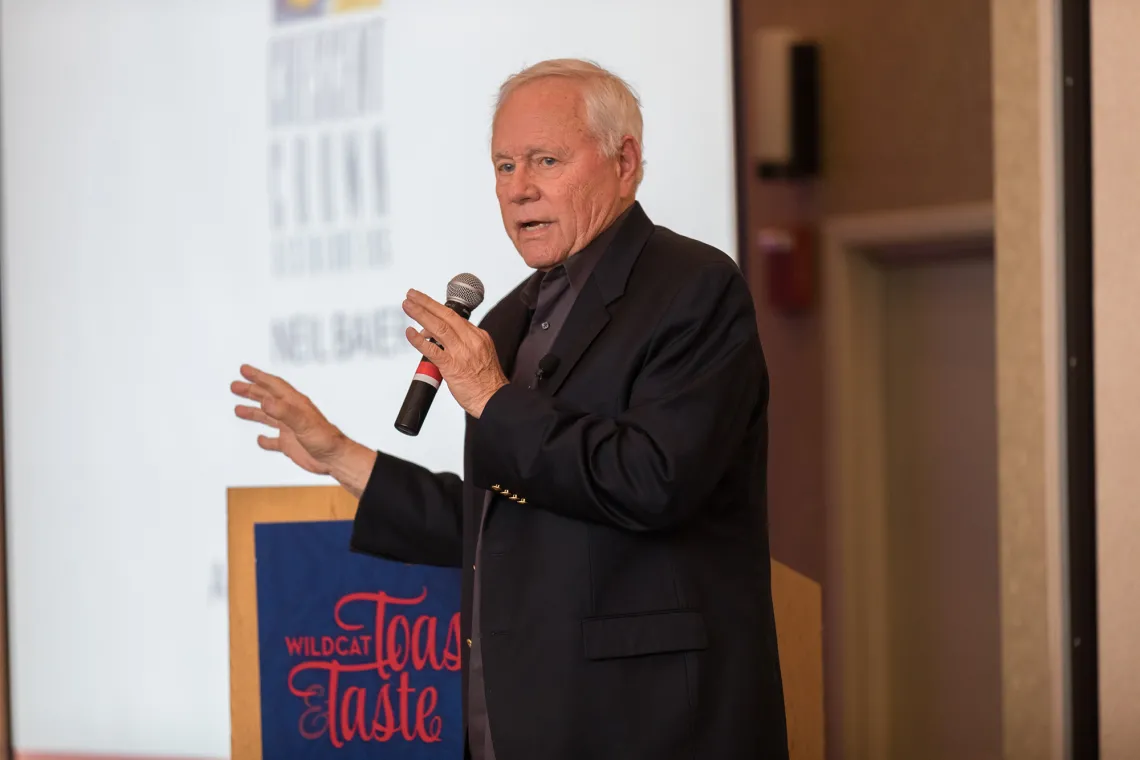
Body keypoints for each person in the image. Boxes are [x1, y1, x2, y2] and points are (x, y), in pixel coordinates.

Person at [232, 58, 788, 760]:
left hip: (643, 724)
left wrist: (493, 398)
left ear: (626, 162)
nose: (519, 189)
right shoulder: (509, 318)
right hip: (515, 717)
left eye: (545, 161)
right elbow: (496, 525)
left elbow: (653, 480)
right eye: (502, 167)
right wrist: (339, 454)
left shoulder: (694, 287)